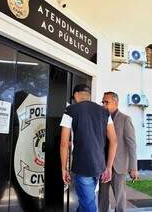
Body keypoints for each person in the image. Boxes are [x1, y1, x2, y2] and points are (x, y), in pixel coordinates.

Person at [60, 84, 118, 212]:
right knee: (86, 202)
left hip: (82, 167)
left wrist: (63, 168)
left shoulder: (70, 110)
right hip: (99, 166)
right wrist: (108, 167)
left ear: (76, 95)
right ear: (89, 95)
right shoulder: (104, 112)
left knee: (88, 206)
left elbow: (64, 143)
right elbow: (114, 141)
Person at [99, 91, 139, 212]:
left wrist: (133, 168)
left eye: (107, 102)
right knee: (102, 198)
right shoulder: (101, 118)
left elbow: (132, 145)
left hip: (118, 166)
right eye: (103, 102)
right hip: (103, 165)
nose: (104, 104)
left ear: (115, 102)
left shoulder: (125, 119)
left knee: (120, 198)